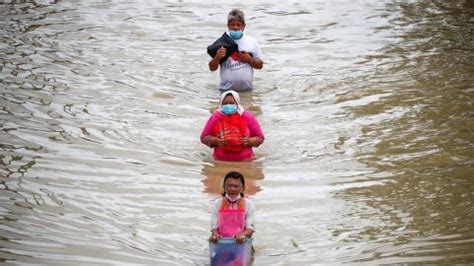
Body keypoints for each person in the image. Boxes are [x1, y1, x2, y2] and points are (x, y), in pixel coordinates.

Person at [207, 8, 264, 91]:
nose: (235, 27)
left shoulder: (252, 42)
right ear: (228, 26)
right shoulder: (221, 42)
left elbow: (260, 65)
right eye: (232, 25)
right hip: (225, 91)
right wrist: (217, 57)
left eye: (238, 25)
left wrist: (250, 60)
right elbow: (212, 68)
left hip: (247, 91)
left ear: (244, 26)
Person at [200, 90, 264, 161]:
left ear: (237, 103)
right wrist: (216, 141)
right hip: (220, 162)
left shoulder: (247, 116)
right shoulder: (216, 117)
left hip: (246, 161)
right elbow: (204, 137)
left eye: (231, 103)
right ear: (221, 104)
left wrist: (248, 141)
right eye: (225, 103)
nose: (228, 105)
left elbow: (260, 138)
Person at [209, 171, 255, 244]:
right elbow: (214, 227)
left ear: (242, 188)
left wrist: (242, 235)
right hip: (222, 242)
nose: (232, 189)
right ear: (224, 187)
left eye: (236, 186)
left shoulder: (248, 204)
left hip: (241, 243)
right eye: (229, 186)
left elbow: (250, 229)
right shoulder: (217, 204)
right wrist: (215, 235)